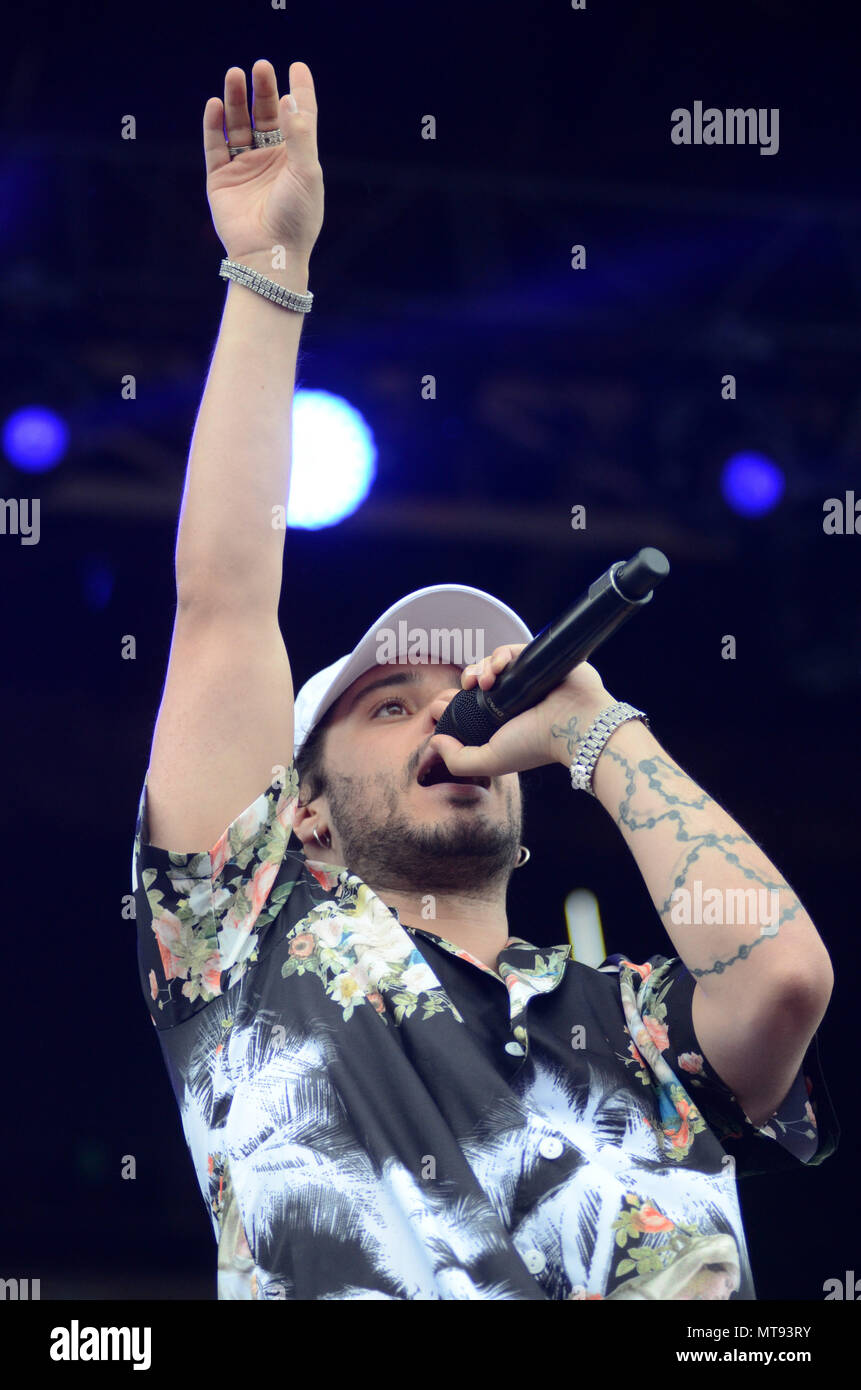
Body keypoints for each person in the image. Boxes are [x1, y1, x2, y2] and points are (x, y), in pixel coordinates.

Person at [131, 58, 838, 1300]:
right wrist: (271, 267)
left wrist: (595, 730)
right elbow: (226, 607)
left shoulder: (630, 1022)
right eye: (387, 704)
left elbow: (782, 981)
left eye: (466, 703)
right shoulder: (249, 943)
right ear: (299, 808)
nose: (447, 719)